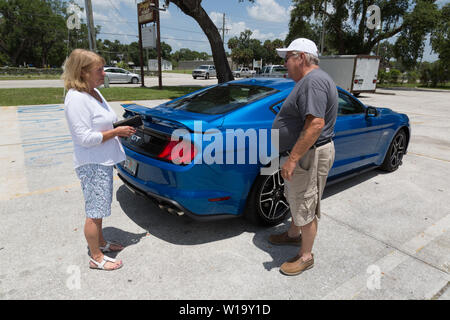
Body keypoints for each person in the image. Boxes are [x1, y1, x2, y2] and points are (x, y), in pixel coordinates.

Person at [62, 49, 136, 271]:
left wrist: (120, 127)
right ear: (83, 72)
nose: (104, 73)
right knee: (94, 212)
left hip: (103, 161)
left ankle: (101, 244)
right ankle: (96, 257)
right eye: (99, 70)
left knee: (100, 207)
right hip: (92, 163)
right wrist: (116, 133)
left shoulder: (94, 92)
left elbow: (105, 121)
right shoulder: (76, 98)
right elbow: (84, 138)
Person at [270, 38, 338, 276]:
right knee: (297, 198)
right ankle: (292, 234)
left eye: (287, 58)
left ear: (300, 57)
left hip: (310, 155)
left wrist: (292, 159)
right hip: (304, 155)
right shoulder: (310, 81)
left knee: (306, 204)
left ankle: (306, 256)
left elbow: (315, 124)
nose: (284, 63)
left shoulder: (313, 82)